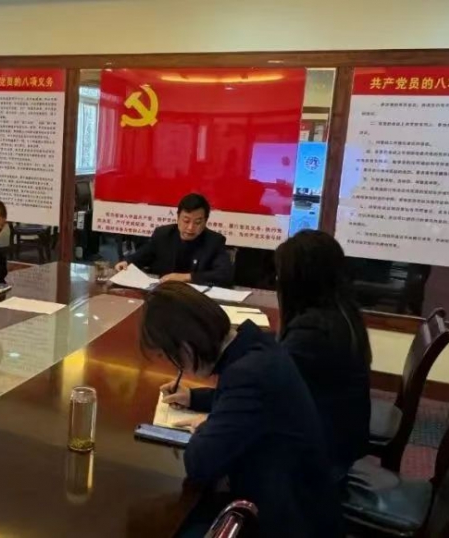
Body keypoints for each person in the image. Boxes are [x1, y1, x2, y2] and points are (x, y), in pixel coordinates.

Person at [143, 282, 342, 538]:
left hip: (287, 519)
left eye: (172, 359)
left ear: (186, 347)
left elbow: (199, 463)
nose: (179, 368)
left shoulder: (248, 376)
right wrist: (193, 397)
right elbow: (243, 400)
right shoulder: (256, 345)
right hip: (301, 495)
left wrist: (207, 426)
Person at [275, 230, 371, 485]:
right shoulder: (340, 311)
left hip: (321, 456)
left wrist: (205, 399)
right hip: (338, 439)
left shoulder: (313, 331)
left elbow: (267, 388)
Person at [115, 193, 233, 287]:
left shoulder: (214, 241)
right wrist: (127, 263)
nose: (190, 227)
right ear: (178, 217)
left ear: (205, 221)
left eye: (197, 222)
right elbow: (142, 255)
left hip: (196, 298)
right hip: (165, 293)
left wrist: (185, 277)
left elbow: (225, 274)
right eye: (186, 221)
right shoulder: (163, 234)